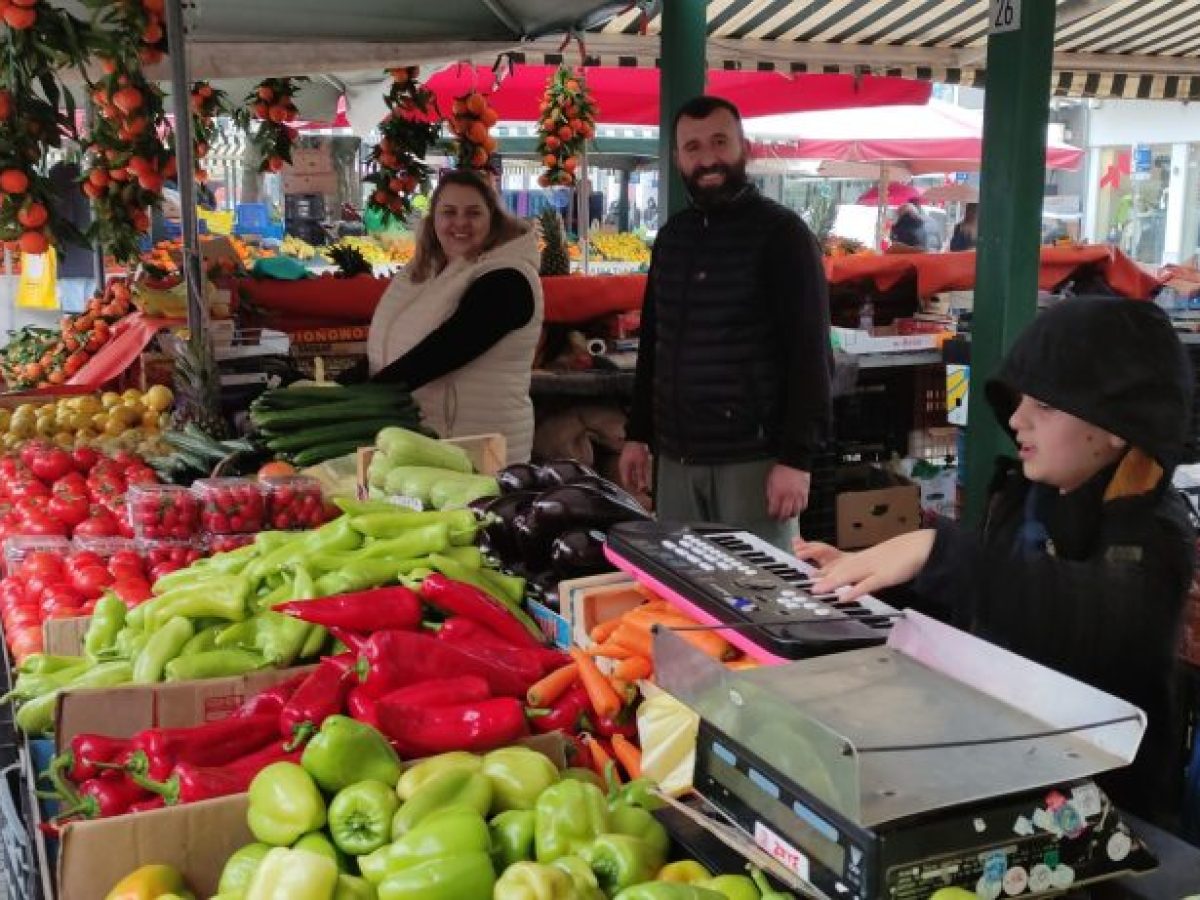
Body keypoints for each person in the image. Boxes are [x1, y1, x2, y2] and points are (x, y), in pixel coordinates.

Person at [795, 297, 1195, 824]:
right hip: (996, 764)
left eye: (1045, 406)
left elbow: (1094, 620)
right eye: (1022, 399)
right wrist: (871, 579)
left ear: (1116, 426)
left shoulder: (1156, 532)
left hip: (1103, 810)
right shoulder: (1024, 499)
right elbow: (982, 610)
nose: (1017, 418)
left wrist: (938, 554)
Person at [618, 96, 833, 550]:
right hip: (677, 460)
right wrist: (637, 434)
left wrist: (797, 459)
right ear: (677, 158)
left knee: (760, 598)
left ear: (745, 148)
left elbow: (811, 354)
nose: (708, 158)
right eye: (692, 148)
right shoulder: (672, 238)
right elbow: (654, 343)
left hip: (752, 462)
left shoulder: (784, 235)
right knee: (682, 592)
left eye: (719, 142)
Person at [358, 169, 543, 464]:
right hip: (434, 446)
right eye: (448, 212)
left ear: (492, 219)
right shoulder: (428, 271)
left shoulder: (508, 280)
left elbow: (441, 352)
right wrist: (331, 388)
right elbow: (392, 347)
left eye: (473, 213)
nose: (460, 222)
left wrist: (352, 402)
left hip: (478, 453)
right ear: (433, 221)